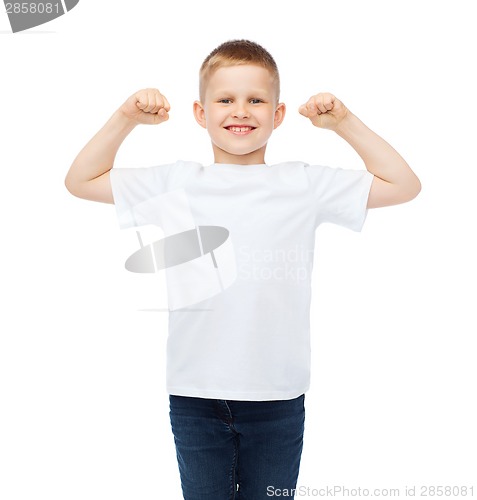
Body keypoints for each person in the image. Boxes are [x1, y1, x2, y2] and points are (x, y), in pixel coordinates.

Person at [65, 39, 421, 500]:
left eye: (256, 100)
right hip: (195, 395)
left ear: (277, 114)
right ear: (200, 112)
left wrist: (344, 124)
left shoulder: (303, 183)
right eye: (226, 99)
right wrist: (126, 119)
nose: (242, 110)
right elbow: (80, 181)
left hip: (277, 398)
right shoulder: (176, 181)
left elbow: (404, 185)